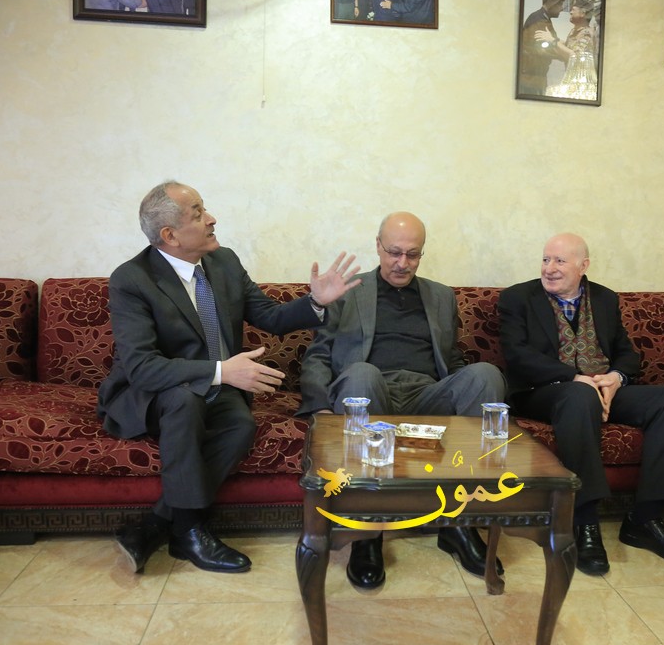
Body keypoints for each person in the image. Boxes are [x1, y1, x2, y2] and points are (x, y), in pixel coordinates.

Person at [99, 181, 359, 574]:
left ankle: (157, 523)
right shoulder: (132, 279)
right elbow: (142, 367)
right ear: (170, 235)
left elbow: (269, 316)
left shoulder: (224, 262)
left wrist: (315, 303)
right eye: (198, 213)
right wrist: (223, 371)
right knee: (184, 401)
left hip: (216, 391)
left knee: (240, 425)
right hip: (150, 393)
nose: (212, 218)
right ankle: (189, 533)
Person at [299, 211, 507, 589]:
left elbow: (453, 361)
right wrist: (319, 409)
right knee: (363, 374)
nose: (402, 263)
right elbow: (318, 355)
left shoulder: (441, 296)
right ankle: (367, 531)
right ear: (378, 247)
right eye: (394, 252)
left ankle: (460, 524)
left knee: (486, 374)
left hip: (426, 395)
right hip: (370, 390)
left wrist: (466, 386)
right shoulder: (348, 290)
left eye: (412, 254)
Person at [498, 233, 664, 577]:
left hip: (602, 388)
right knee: (579, 396)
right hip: (545, 391)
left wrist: (616, 377)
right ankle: (584, 520)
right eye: (546, 259)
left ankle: (646, 519)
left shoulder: (605, 299)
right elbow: (517, 356)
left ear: (583, 266)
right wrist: (575, 378)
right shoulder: (518, 297)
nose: (549, 268)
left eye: (560, 261)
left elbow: (626, 352)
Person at [518, 0, 568, 96]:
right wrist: (565, 55)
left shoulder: (543, 18)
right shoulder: (539, 20)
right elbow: (542, 49)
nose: (561, 9)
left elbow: (551, 41)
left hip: (535, 78)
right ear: (551, 2)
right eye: (560, 5)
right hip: (530, 80)